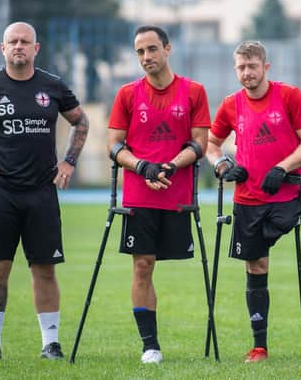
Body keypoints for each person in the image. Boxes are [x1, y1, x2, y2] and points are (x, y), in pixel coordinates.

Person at [0, 21, 90, 361]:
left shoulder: (52, 86)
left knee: (45, 269)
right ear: (3, 49)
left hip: (41, 193)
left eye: (25, 41)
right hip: (0, 193)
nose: (19, 46)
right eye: (13, 41)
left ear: (36, 49)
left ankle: (50, 343)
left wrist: (68, 161)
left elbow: (81, 121)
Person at [206, 41, 301, 363]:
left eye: (252, 66)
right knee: (256, 264)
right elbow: (211, 145)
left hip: (285, 194)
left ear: (265, 67)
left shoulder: (289, 96)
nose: (246, 73)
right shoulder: (230, 104)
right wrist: (223, 165)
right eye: (241, 67)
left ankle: (267, 235)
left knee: (279, 228)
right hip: (247, 198)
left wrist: (283, 167)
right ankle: (260, 346)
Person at [106, 25, 211, 364]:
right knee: (142, 266)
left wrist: (168, 165)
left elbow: (199, 143)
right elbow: (114, 145)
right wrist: (142, 168)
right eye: (140, 52)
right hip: (139, 194)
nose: (146, 57)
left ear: (167, 49)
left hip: (177, 194)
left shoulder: (194, 91)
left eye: (152, 49)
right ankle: (149, 344)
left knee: (167, 265)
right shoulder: (126, 94)